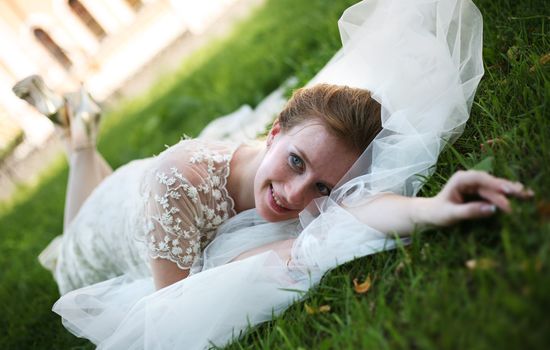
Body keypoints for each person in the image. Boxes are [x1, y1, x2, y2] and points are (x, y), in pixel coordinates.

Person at [12, 0, 534, 348]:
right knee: (71, 244)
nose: (294, 195)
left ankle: (76, 130)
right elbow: (169, 311)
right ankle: (78, 139)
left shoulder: (306, 175)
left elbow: (354, 209)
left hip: (137, 191)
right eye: (296, 163)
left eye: (321, 187)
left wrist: (433, 206)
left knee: (92, 192)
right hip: (125, 213)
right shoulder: (177, 188)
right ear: (275, 131)